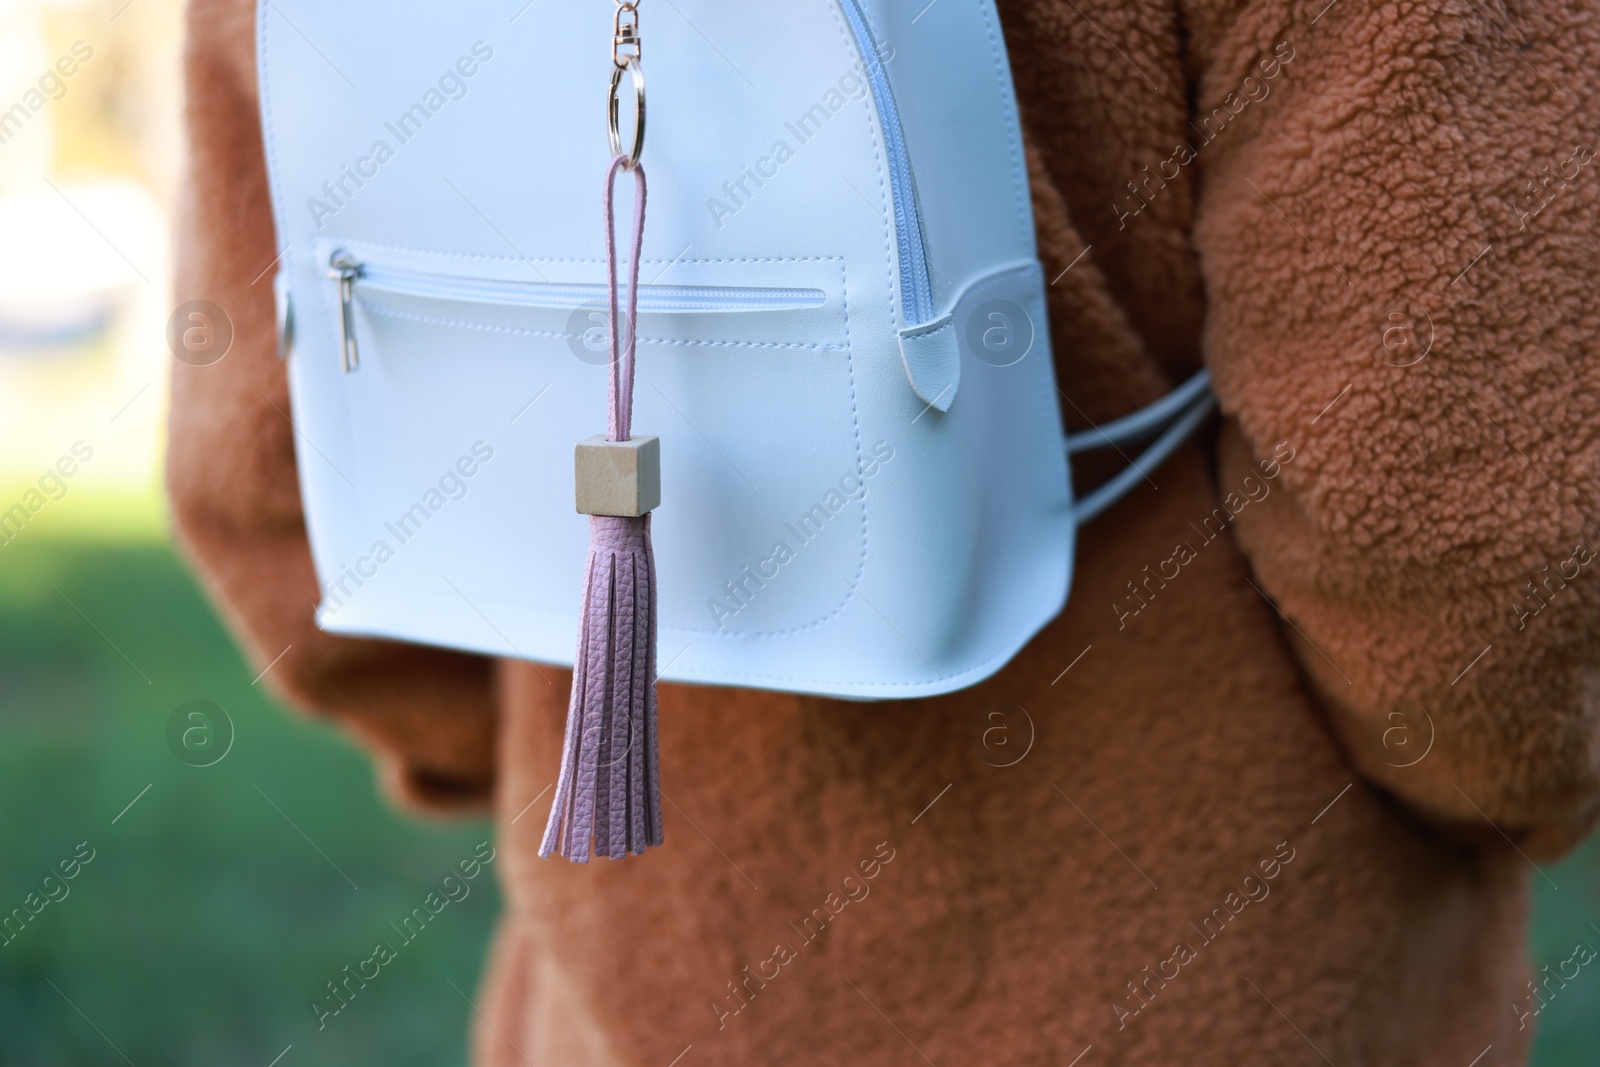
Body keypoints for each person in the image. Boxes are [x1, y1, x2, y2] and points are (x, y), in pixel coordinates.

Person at [169, 0, 1600, 1061]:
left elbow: (256, 468)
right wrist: (1502, 782)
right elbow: (1465, 530)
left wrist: (489, 724)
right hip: (1232, 971)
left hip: (636, 979)